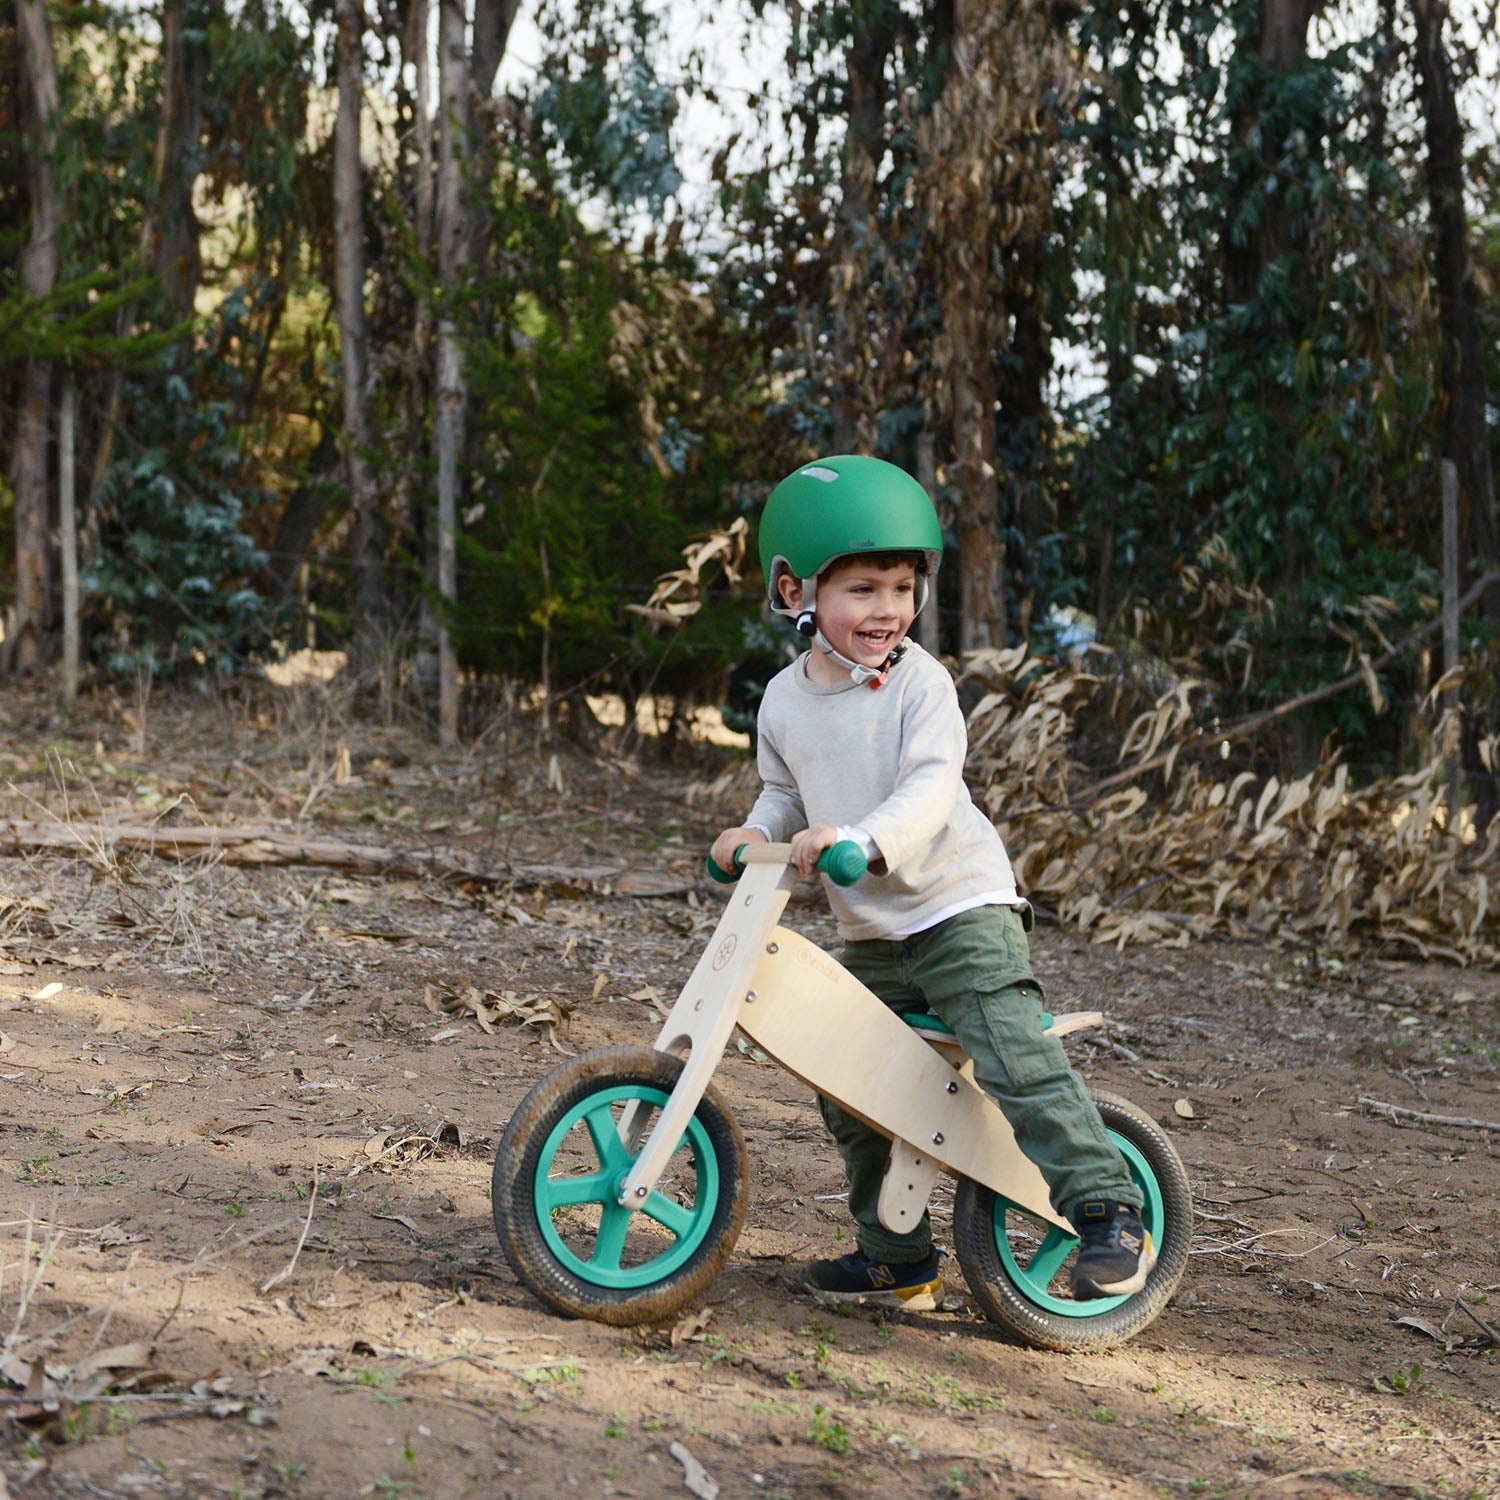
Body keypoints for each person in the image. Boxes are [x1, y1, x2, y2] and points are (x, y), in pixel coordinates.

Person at [710, 454, 1153, 1311]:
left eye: (903, 588)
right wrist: (754, 833)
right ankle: (895, 1256)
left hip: (959, 910)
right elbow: (783, 791)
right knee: (846, 1072)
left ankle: (1108, 1212)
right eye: (864, 589)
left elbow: (929, 788)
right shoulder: (782, 700)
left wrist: (864, 842)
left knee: (1014, 1052)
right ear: (795, 590)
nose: (888, 611)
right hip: (876, 932)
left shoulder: (922, 685)